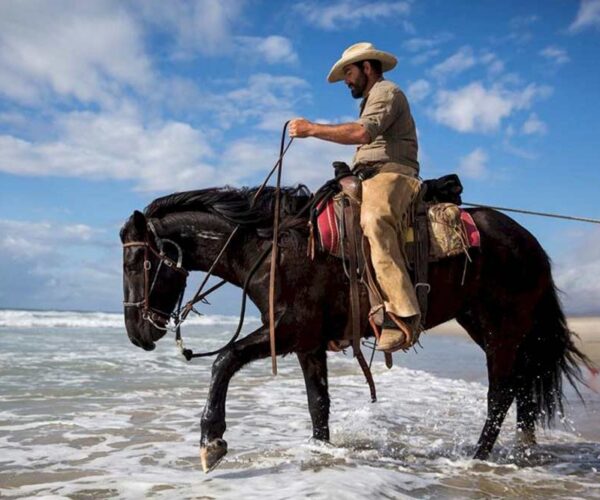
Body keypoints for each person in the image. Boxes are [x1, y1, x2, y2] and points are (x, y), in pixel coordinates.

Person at [289, 42, 421, 353]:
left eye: (349, 72)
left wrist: (311, 130)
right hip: (366, 175)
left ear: (367, 68)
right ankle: (349, 314)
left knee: (374, 221)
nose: (347, 80)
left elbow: (362, 134)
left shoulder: (388, 92)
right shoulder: (369, 100)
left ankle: (403, 314)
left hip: (394, 173)